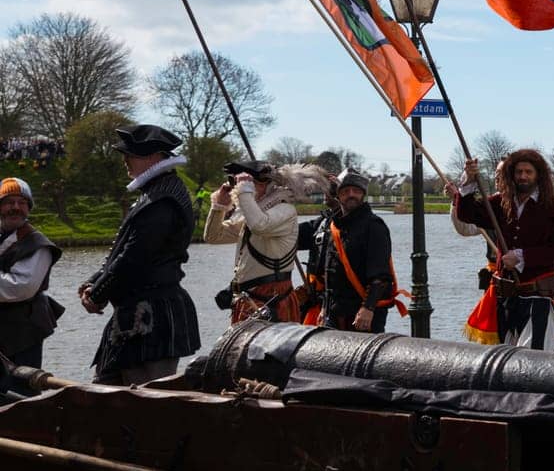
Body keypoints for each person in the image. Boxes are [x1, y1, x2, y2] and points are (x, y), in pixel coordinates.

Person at [78, 124, 201, 385]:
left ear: (152, 158)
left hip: (153, 314)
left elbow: (134, 258)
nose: (124, 161)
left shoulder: (162, 200)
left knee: (148, 406)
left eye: (129, 155)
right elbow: (122, 251)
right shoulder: (157, 192)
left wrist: (98, 293)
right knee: (106, 393)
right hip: (137, 310)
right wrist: (93, 283)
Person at [456, 150, 554, 347]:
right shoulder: (502, 202)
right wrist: (469, 181)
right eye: (519, 172)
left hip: (536, 298)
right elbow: (468, 214)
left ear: (538, 175)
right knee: (506, 359)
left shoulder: (551, 208)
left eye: (528, 172)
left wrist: (522, 256)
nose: (523, 176)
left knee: (535, 358)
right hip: (505, 298)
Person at [204, 160, 320, 324]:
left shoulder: (285, 211)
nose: (236, 188)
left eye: (246, 183)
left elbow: (260, 225)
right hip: (247, 297)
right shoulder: (252, 215)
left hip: (273, 297)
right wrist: (219, 206)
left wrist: (245, 192)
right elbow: (214, 236)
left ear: (267, 184)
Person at [297, 169, 399, 333]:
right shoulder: (333, 225)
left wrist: (368, 308)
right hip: (334, 312)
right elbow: (330, 276)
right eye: (345, 191)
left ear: (362, 195)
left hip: (363, 313)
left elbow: (380, 275)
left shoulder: (374, 226)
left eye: (356, 191)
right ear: (338, 196)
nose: (351, 195)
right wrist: (325, 308)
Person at [0, 177, 63, 372]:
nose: (16, 207)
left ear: (29, 208)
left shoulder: (37, 244)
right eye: (9, 202)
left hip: (22, 333)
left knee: (18, 393)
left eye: (22, 203)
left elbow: (20, 288)